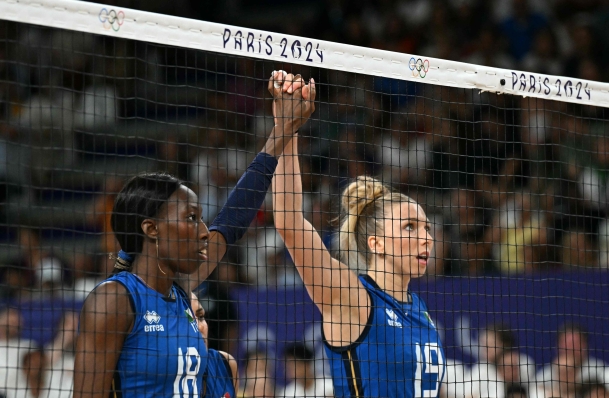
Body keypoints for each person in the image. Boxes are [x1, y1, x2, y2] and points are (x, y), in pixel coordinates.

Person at [73, 71, 315, 398]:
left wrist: (282, 129)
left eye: (200, 219)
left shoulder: (181, 291)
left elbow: (230, 222)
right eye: (190, 218)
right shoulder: (115, 300)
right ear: (151, 229)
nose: (203, 233)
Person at [272, 130, 445, 395]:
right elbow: (289, 223)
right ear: (377, 243)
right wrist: (287, 128)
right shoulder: (353, 296)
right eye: (410, 227)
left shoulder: (419, 309)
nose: (426, 238)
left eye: (427, 228)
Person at [190, 292, 238, 398]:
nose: (199, 327)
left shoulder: (225, 363)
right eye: (189, 320)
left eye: (201, 317)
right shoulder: (162, 373)